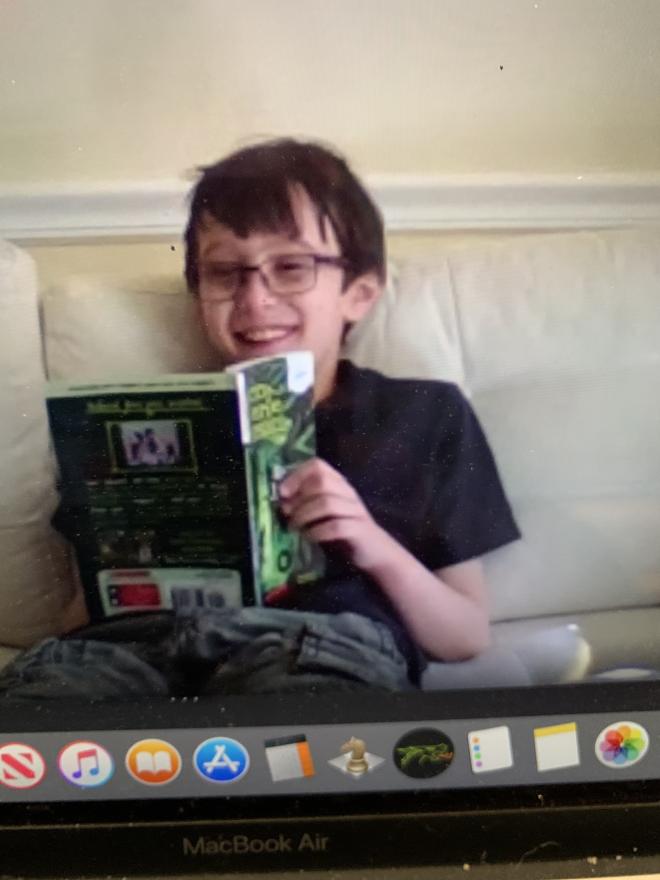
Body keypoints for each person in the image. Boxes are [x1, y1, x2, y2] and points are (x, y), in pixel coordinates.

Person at [0, 138, 520, 700]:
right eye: (225, 272)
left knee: (310, 745)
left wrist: (368, 539)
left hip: (312, 643)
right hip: (122, 649)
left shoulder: (422, 412)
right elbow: (78, 620)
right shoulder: (140, 416)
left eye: (291, 267)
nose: (254, 298)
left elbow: (464, 636)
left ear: (359, 293)